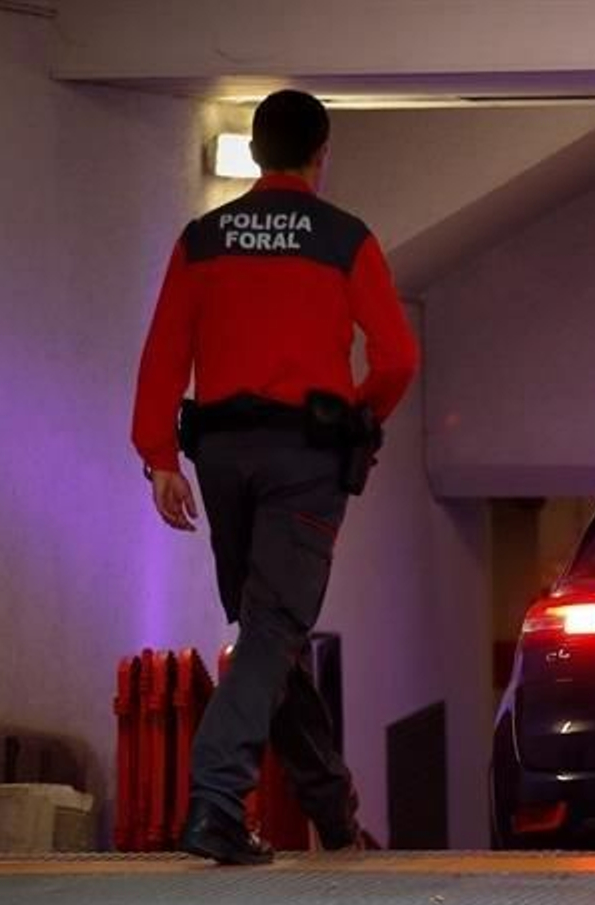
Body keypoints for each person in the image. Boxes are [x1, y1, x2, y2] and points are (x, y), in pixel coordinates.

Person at [130, 89, 419, 864]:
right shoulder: (344, 237)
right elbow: (396, 358)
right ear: (320, 156)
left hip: (219, 456)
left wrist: (159, 455)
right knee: (271, 630)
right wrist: (358, 415)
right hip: (303, 456)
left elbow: (164, 349)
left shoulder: (203, 237)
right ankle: (217, 801)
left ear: (256, 153)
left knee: (267, 632)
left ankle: (332, 815)